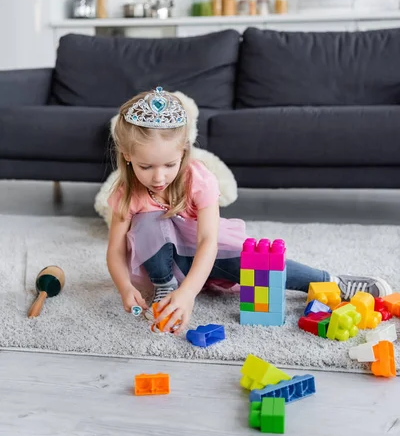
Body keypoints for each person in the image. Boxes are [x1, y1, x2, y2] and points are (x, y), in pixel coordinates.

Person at [106, 87, 392, 335]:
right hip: (165, 267)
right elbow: (116, 251)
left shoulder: (198, 178)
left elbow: (208, 241)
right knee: (148, 219)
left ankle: (330, 281)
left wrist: (190, 292)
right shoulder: (126, 192)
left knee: (259, 264)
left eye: (169, 165)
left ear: (183, 151)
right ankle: (165, 287)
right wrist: (124, 287)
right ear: (128, 156)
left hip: (205, 255)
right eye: (147, 167)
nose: (159, 177)